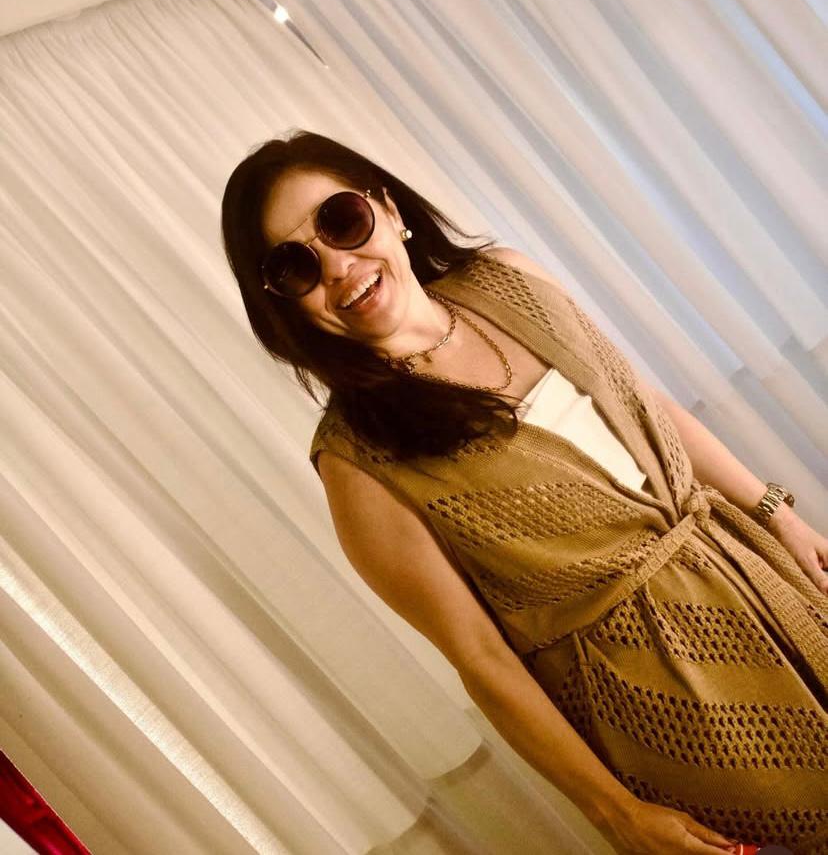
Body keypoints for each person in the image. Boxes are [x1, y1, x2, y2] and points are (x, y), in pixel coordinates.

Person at [221, 130, 828, 855]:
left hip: (761, 573)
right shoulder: (358, 460)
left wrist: (777, 513)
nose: (337, 266)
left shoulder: (509, 279)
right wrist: (615, 811)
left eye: (341, 221)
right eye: (295, 267)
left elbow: (648, 407)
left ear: (389, 208)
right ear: (285, 307)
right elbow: (481, 657)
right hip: (678, 699)